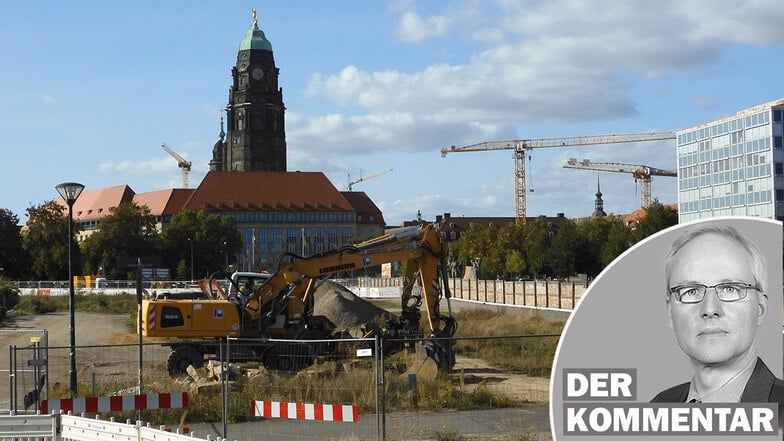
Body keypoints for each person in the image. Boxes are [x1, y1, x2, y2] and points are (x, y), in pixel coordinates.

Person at [650, 224, 784, 423]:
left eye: (730, 289)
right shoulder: (657, 408)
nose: (710, 309)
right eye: (691, 291)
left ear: (761, 309)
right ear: (671, 312)